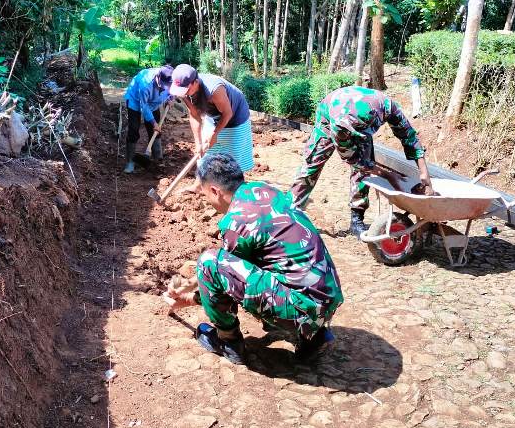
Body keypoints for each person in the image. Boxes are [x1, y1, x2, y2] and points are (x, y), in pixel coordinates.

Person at [165, 153, 344, 365]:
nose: (208, 201)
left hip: (303, 308)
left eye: (205, 195)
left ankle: (229, 343)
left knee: (208, 261)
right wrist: (188, 286)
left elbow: (222, 279)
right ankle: (314, 337)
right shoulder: (264, 190)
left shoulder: (236, 222)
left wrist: (188, 299)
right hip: (327, 300)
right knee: (262, 260)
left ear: (215, 191)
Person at [290, 85, 434, 239]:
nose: (362, 137)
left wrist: (424, 172)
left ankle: (356, 219)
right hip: (329, 114)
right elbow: (353, 160)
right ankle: (291, 213)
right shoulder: (340, 125)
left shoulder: (387, 106)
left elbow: (408, 135)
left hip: (352, 113)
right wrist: (387, 175)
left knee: (364, 167)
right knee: (313, 162)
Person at [168, 64, 254, 172]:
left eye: (185, 89)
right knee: (204, 155)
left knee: (234, 159)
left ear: (195, 82)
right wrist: (198, 143)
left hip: (235, 116)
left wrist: (215, 133)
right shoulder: (185, 92)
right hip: (212, 116)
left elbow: (227, 113)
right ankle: (199, 184)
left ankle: (233, 186)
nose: (183, 93)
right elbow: (194, 116)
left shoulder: (214, 89)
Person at [123, 65, 173, 173]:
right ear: (158, 78)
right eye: (163, 85)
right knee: (133, 129)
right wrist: (154, 123)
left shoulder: (170, 79)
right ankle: (130, 161)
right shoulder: (145, 84)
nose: (165, 87)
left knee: (155, 131)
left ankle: (157, 158)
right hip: (135, 101)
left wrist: (169, 98)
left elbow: (172, 91)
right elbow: (144, 107)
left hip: (154, 104)